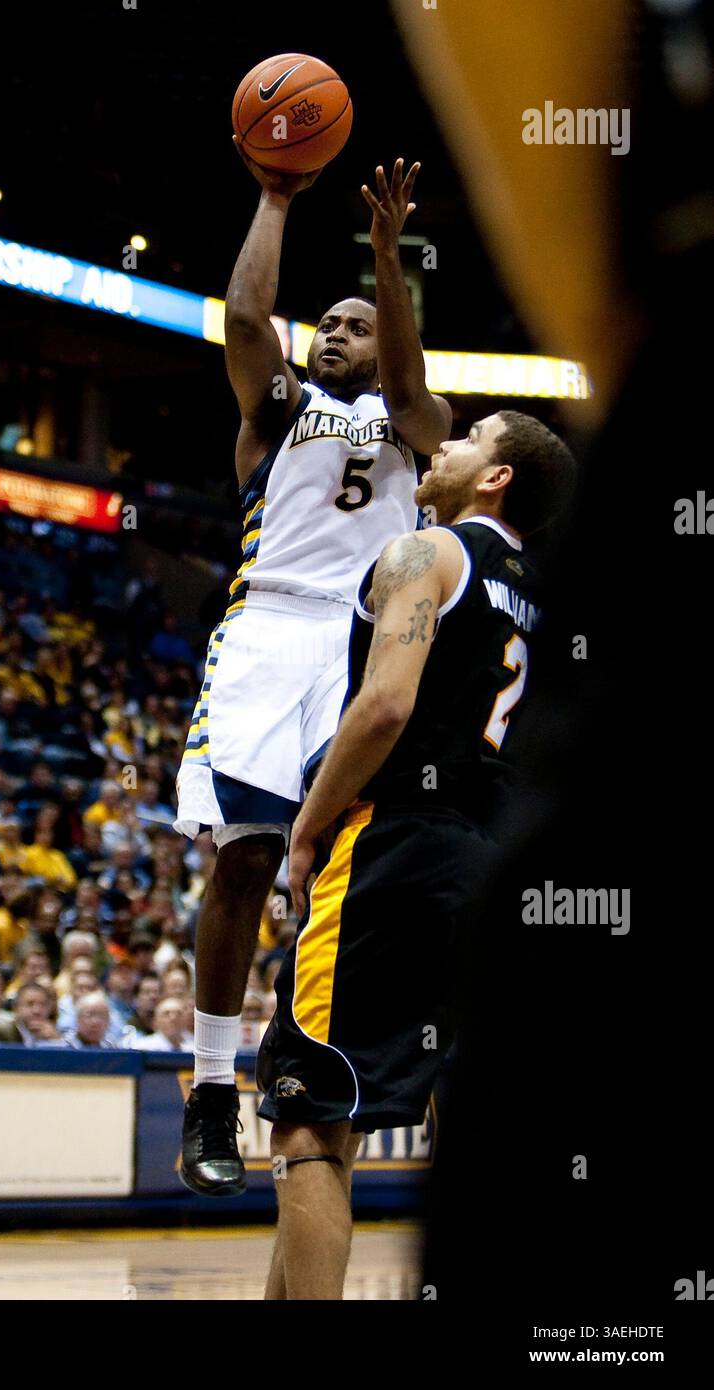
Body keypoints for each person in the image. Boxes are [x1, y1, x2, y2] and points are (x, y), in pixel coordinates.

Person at [174, 152, 452, 1195]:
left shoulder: (420, 430)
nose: (332, 333)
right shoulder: (277, 409)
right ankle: (208, 1087)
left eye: (354, 322)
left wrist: (387, 262)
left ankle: (296, 1064)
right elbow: (247, 324)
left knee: (323, 875)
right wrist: (275, 197)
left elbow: (416, 389)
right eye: (324, 323)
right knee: (242, 862)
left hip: (357, 646)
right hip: (264, 636)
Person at [256, 409, 576, 1298]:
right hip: (487, 864)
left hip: (391, 845)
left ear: (496, 477)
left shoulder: (428, 553)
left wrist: (311, 822)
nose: (446, 444)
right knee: (347, 1114)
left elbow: (383, 708)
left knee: (311, 1119)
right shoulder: (545, 600)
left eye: (471, 437)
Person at [127, 995, 194, 1052]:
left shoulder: (193, 1049)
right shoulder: (142, 1047)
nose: (173, 1018)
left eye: (179, 1013)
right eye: (166, 1014)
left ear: (186, 1019)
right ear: (156, 1021)